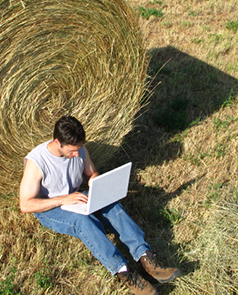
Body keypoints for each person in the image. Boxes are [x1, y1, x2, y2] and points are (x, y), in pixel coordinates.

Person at [19, 115, 182, 295]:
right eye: (72, 151)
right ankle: (124, 273)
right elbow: (26, 205)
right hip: (50, 208)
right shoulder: (37, 162)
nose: (76, 154)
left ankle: (146, 257)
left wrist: (99, 188)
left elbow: (91, 173)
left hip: (75, 197)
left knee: (112, 205)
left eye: (79, 149)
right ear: (57, 142)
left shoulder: (80, 150)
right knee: (82, 221)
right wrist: (63, 199)